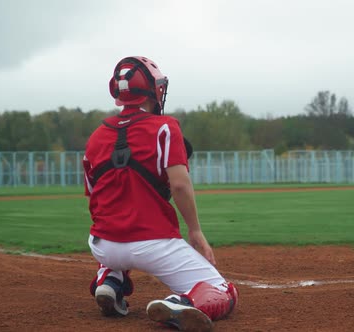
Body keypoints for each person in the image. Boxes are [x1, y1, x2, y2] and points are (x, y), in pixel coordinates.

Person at [82, 56, 238, 331]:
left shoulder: (95, 136)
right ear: (153, 91)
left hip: (103, 245)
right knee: (223, 290)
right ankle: (181, 304)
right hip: (153, 243)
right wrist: (195, 231)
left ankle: (110, 280)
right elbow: (179, 184)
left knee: (116, 248)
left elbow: (94, 195)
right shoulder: (164, 127)